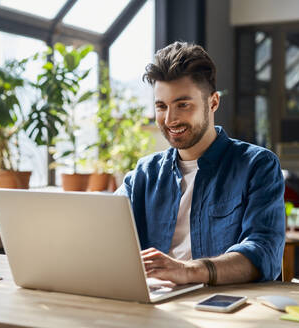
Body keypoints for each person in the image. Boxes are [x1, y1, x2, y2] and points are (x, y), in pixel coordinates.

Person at [115, 42, 285, 285]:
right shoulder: (143, 175)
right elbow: (104, 234)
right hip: (156, 304)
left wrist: (188, 271)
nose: (170, 119)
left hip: (224, 308)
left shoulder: (257, 165)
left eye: (183, 105)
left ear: (213, 102)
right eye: (161, 106)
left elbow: (264, 254)